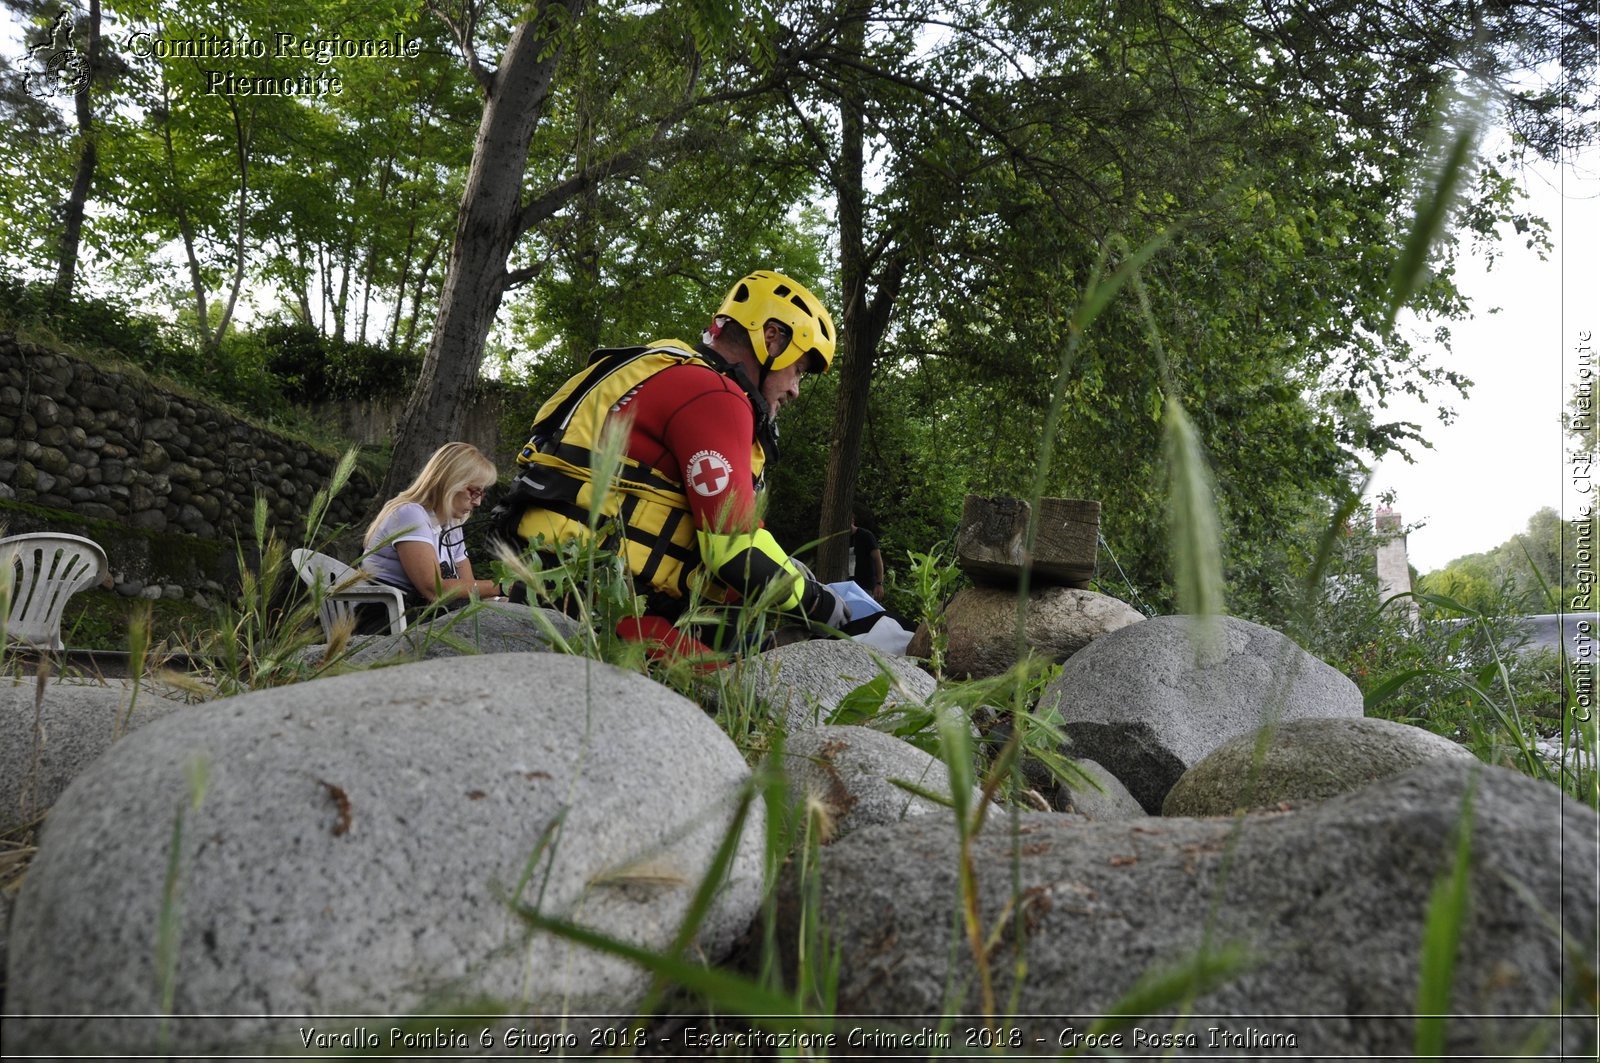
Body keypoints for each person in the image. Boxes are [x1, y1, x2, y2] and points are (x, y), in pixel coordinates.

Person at [490, 269, 848, 660]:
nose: (795, 390)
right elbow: (733, 550)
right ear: (772, 337)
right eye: (797, 371)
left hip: (560, 589)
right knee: (759, 700)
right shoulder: (714, 394)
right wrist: (819, 604)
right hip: (607, 616)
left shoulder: (664, 369)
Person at [363, 442, 506, 625]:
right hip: (382, 619)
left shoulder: (452, 526)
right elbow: (434, 590)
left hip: (416, 615)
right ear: (451, 482)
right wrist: (502, 586)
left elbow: (469, 588)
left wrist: (500, 599)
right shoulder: (410, 514)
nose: (477, 503)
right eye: (474, 491)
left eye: (482, 493)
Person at [848, 514, 886, 601]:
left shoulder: (865, 535)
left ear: (852, 521)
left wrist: (879, 583)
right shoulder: (841, 539)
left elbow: (878, 559)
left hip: (866, 585)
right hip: (848, 584)